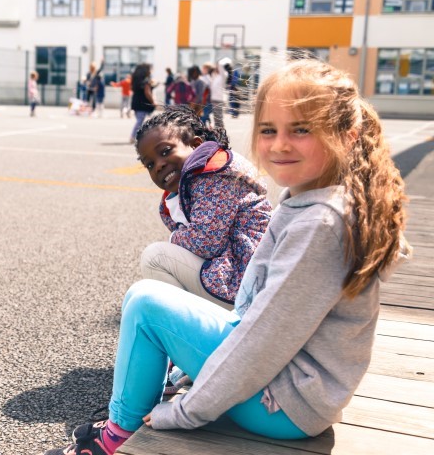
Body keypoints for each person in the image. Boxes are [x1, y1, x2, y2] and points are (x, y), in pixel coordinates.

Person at [44, 59, 410, 455]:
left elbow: (261, 344)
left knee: (147, 305)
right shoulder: (311, 201)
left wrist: (183, 411)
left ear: (347, 137)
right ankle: (132, 411)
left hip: (284, 405)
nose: (280, 144)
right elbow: (261, 325)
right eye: (268, 130)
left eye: (301, 130)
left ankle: (115, 436)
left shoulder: (319, 226)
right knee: (142, 295)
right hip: (288, 386)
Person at [136, 105, 271, 307]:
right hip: (239, 272)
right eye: (150, 164)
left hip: (246, 280)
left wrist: (174, 238)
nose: (159, 165)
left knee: (156, 258)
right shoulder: (187, 187)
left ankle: (195, 324)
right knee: (148, 285)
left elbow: (205, 243)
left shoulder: (213, 178)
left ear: (195, 145)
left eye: (165, 151)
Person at [129, 63, 155, 144]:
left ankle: (137, 136)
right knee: (141, 120)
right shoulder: (146, 80)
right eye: (150, 69)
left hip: (136, 101)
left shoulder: (135, 79)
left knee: (140, 120)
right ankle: (133, 136)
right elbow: (147, 92)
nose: (151, 71)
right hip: (143, 103)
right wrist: (153, 101)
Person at [209, 58, 230, 130]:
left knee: (219, 117)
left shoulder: (223, 75)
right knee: (215, 118)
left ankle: (221, 132)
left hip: (218, 99)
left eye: (217, 66)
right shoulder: (215, 76)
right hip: (213, 98)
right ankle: (217, 131)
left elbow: (221, 68)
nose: (216, 67)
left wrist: (219, 63)